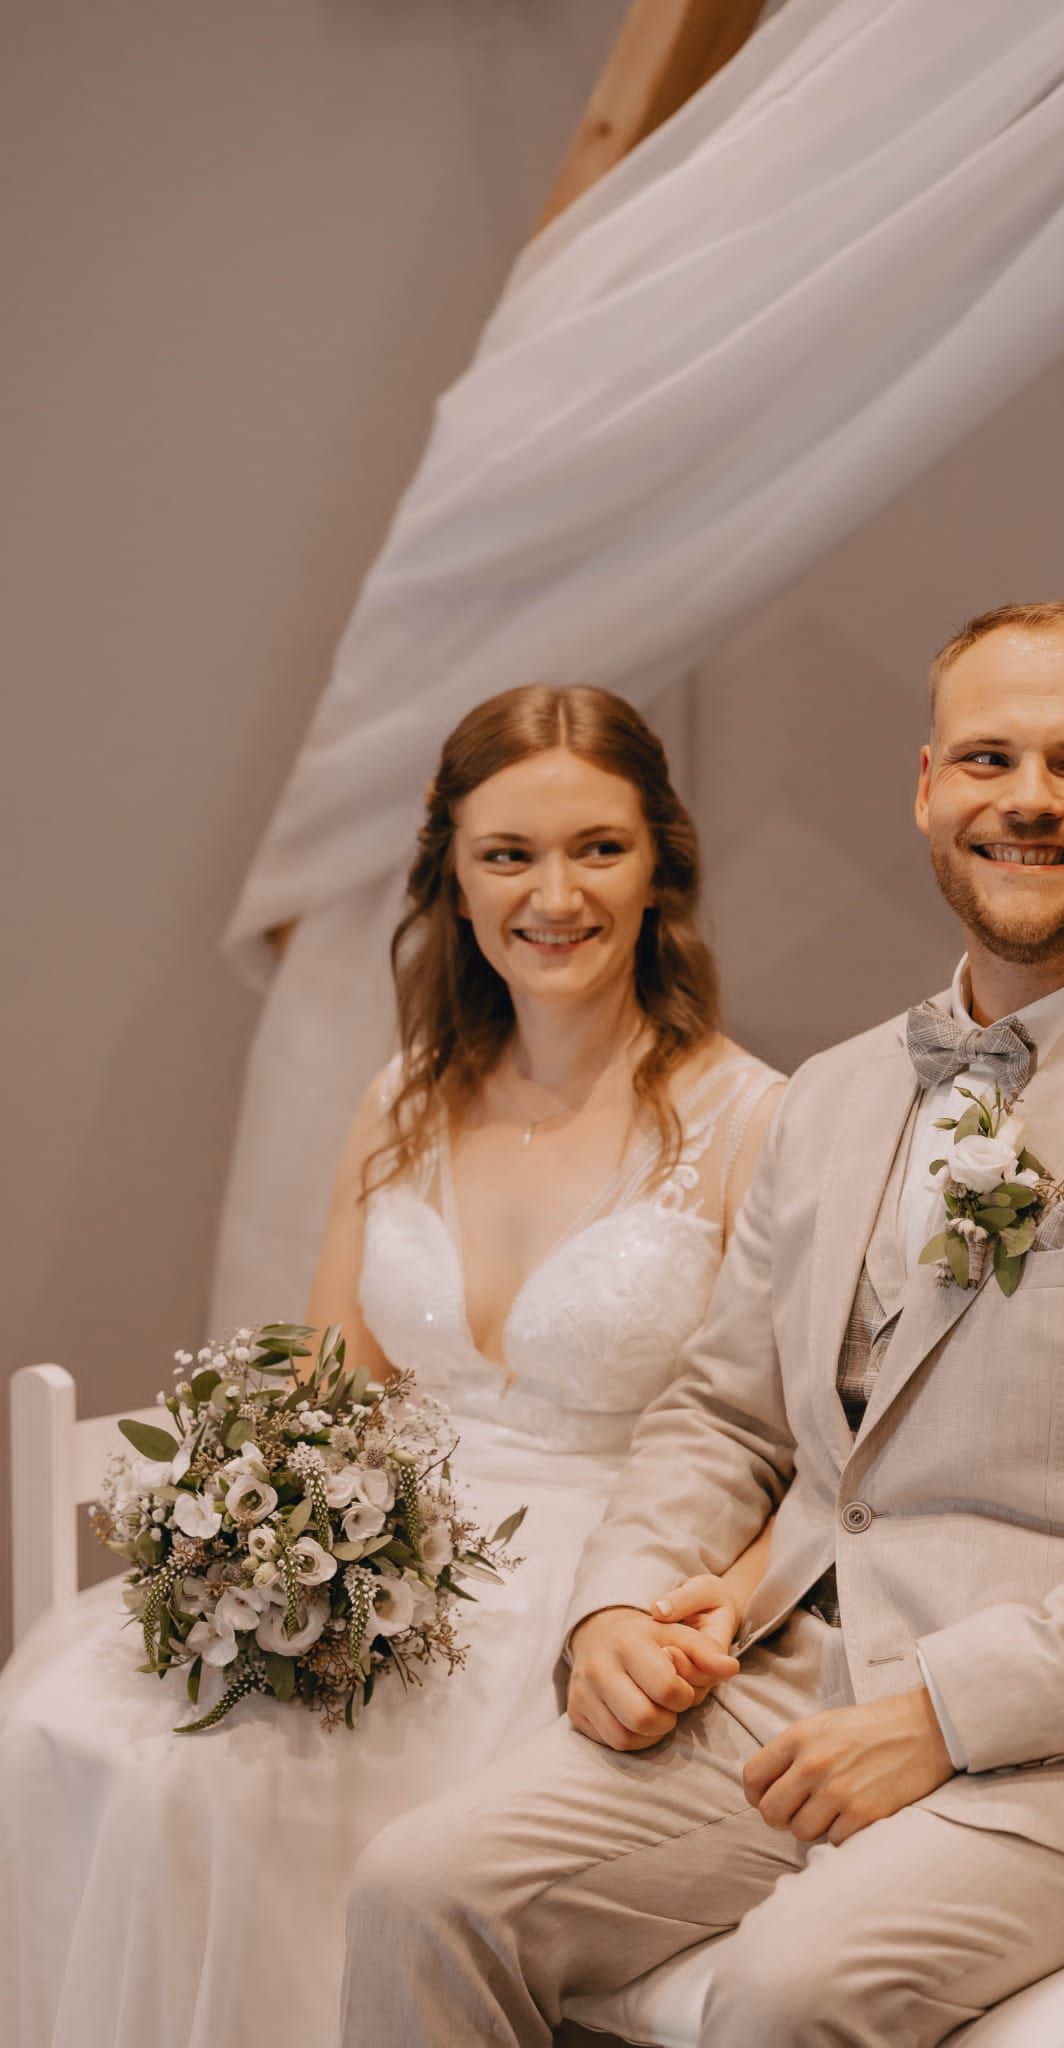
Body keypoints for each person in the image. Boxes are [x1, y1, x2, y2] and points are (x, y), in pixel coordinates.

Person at [340, 601, 1064, 2047]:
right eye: (987, 759)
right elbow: (722, 1414)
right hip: (788, 1688)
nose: (1025, 798)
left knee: (784, 1994)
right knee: (418, 1889)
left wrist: (942, 1713)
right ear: (928, 788)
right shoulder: (831, 1092)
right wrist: (618, 1601)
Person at [0, 683, 782, 2048]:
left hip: (591, 1589)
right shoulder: (404, 1094)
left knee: (230, 1799)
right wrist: (257, 1547)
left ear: (660, 866)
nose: (555, 895)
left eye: (598, 848)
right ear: (453, 879)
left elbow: (792, 1446)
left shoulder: (755, 1119)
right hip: (380, 1565)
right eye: (508, 854)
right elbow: (326, 1388)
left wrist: (710, 1611)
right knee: (65, 1728)